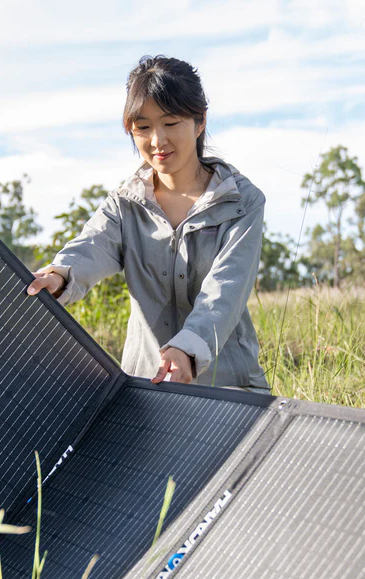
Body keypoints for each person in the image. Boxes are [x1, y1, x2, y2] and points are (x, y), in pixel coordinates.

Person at [27, 55, 271, 395]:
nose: (157, 140)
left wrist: (188, 348)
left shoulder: (242, 201)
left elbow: (226, 289)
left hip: (229, 387)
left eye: (170, 123)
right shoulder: (125, 203)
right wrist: (59, 275)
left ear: (200, 121)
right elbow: (92, 246)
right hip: (146, 388)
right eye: (143, 127)